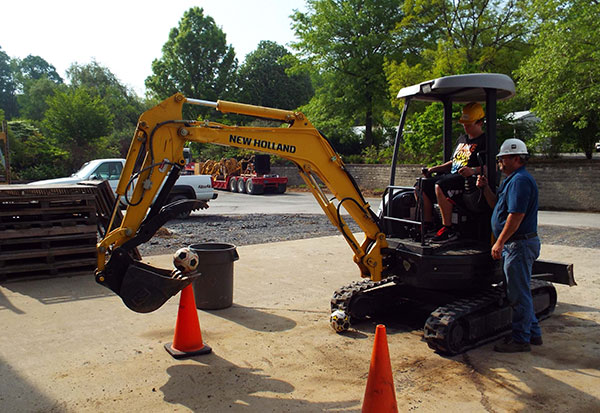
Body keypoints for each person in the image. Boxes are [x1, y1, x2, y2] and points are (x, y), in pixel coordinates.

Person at [476, 138, 542, 353]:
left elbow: (516, 216)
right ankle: (533, 333)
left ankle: (521, 340)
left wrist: (500, 241)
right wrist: (485, 188)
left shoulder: (520, 181)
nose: (500, 163)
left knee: (518, 294)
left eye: (502, 159)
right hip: (515, 245)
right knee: (519, 291)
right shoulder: (512, 180)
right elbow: (498, 205)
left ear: (516, 158)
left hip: (518, 246)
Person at [417, 102, 486, 242]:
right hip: (453, 176)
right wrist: (433, 169)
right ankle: (428, 224)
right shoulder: (462, 140)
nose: (465, 127)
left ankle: (448, 228)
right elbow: (454, 163)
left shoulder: (485, 141)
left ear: (480, 122)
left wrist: (472, 170)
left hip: (468, 182)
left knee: (441, 185)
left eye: (469, 124)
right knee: (420, 186)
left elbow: (492, 166)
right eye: (464, 124)